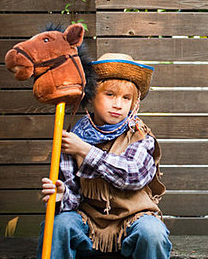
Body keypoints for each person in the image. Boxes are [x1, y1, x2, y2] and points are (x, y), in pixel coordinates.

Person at [37, 53, 171, 259]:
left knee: (153, 233)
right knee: (59, 226)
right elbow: (74, 197)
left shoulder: (140, 135)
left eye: (126, 98)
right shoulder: (73, 138)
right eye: (110, 94)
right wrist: (63, 193)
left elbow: (133, 176)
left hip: (134, 218)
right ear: (91, 97)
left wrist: (85, 151)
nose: (118, 104)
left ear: (134, 104)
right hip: (88, 219)